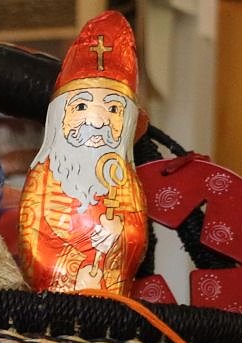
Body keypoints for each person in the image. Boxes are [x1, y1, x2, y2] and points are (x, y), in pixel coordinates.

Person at [18, 10, 149, 295]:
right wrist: (70, 274)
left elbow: (137, 233)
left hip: (111, 294)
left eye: (113, 108)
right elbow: (31, 237)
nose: (97, 121)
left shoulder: (123, 179)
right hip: (54, 293)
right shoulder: (44, 175)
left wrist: (118, 235)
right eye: (81, 106)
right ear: (59, 117)